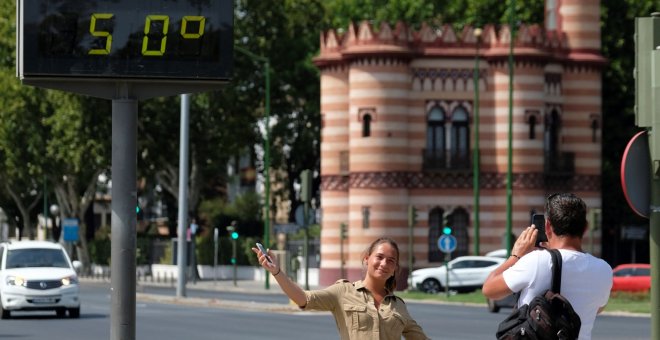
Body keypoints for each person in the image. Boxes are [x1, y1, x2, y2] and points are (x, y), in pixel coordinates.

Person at [482, 193, 612, 340]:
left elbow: (489, 289)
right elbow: (598, 308)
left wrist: (516, 256)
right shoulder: (604, 269)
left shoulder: (536, 261)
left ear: (548, 226)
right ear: (585, 228)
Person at [252, 237, 430, 340]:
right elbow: (302, 299)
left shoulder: (399, 306)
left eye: (391, 261)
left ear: (395, 269)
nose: (384, 264)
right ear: (367, 259)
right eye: (380, 257)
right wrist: (277, 272)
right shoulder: (343, 292)